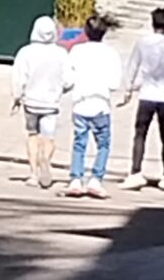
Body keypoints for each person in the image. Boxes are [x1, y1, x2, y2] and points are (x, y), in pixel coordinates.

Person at [121, 7, 164, 191]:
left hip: (147, 94)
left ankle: (135, 172)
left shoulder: (143, 43)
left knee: (140, 133)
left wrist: (128, 88)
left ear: (152, 22)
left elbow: (132, 66)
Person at [11, 15, 73, 189]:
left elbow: (19, 77)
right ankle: (45, 158)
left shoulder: (26, 52)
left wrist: (17, 97)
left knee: (32, 135)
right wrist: (60, 91)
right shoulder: (61, 53)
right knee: (49, 137)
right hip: (51, 102)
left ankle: (33, 174)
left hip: (31, 102)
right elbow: (69, 80)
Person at [66, 14, 122, 198]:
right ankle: (96, 179)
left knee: (79, 143)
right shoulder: (111, 54)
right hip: (101, 104)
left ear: (86, 31)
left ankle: (76, 179)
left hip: (80, 103)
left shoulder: (76, 51)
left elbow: (68, 79)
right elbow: (114, 84)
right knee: (103, 144)